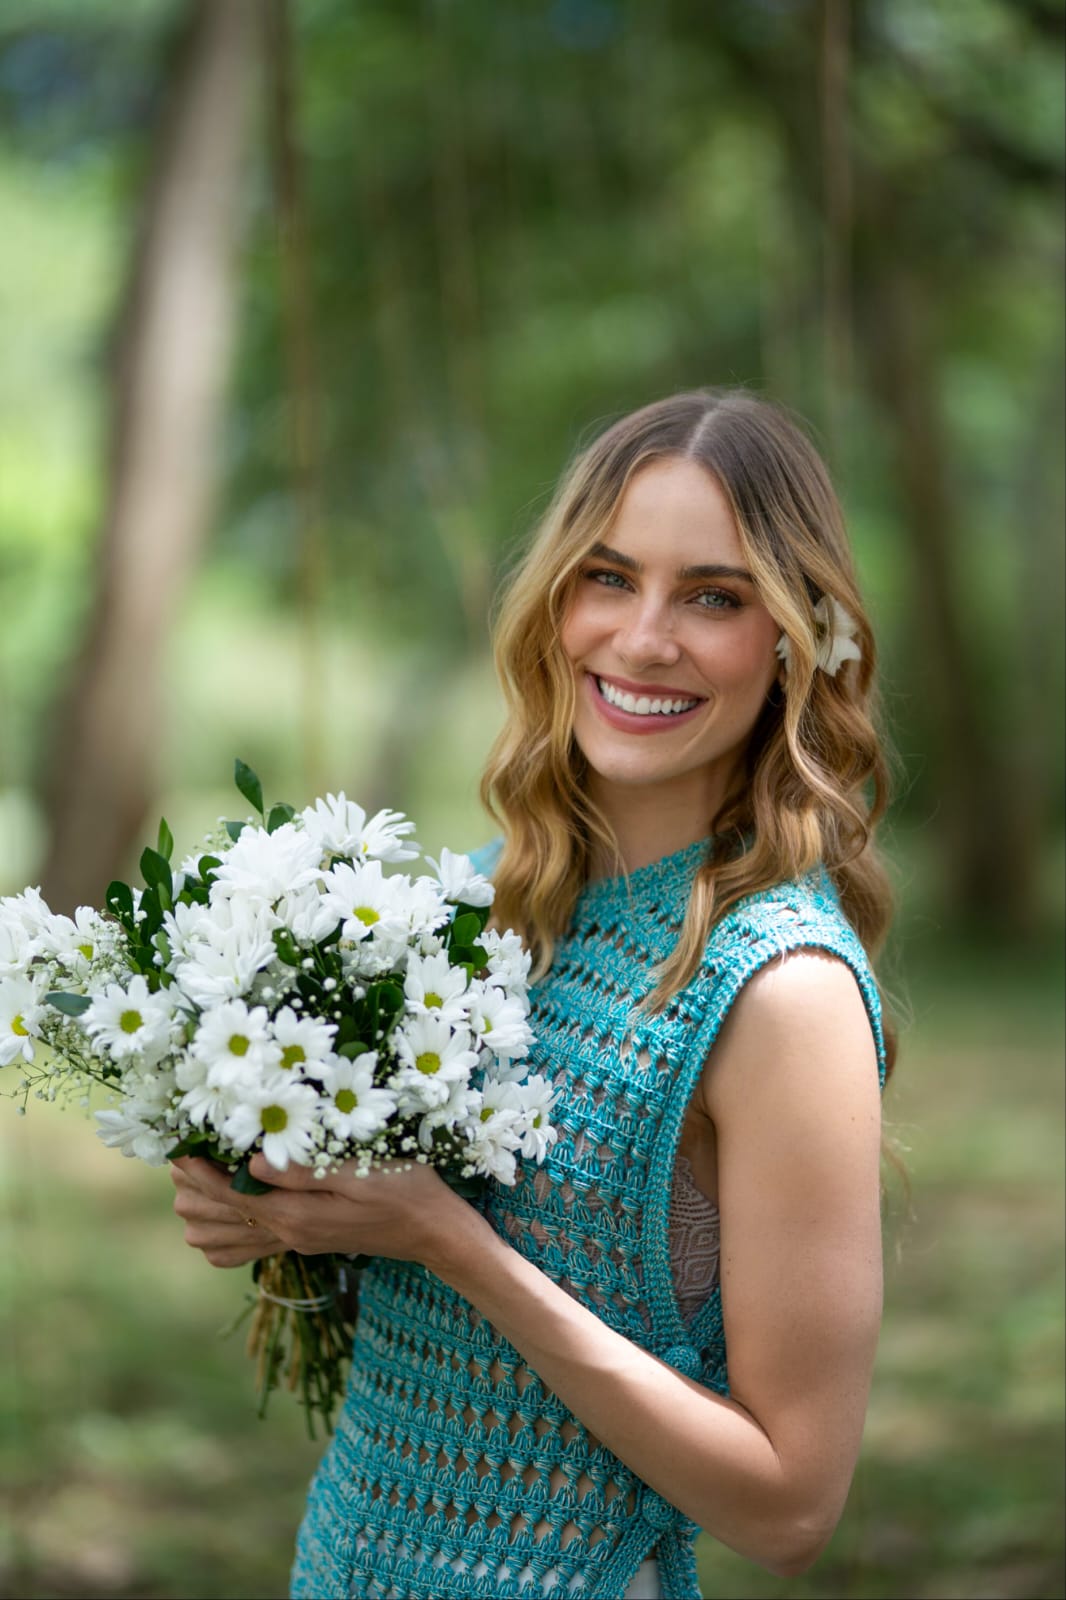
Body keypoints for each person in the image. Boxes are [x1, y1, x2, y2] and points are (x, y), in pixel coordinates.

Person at [171, 388, 893, 1600]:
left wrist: (449, 1245)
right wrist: (292, 1214)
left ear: (795, 638)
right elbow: (454, 1324)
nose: (643, 636)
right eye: (607, 577)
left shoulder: (780, 988)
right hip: (349, 1564)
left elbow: (790, 1505)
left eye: (712, 596)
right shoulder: (493, 910)